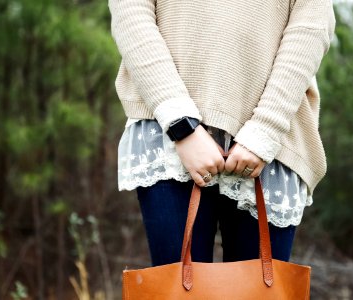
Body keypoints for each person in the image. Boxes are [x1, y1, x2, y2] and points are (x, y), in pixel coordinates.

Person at [108, 0, 336, 266]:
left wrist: (266, 129)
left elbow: (312, 25)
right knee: (179, 294)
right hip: (168, 133)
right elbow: (131, 13)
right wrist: (181, 123)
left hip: (273, 138)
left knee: (258, 295)